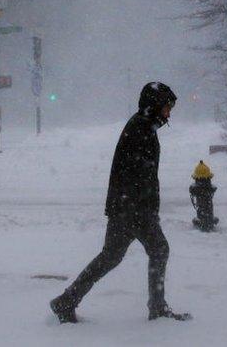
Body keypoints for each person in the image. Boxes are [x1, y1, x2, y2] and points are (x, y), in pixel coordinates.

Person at [50, 82, 191, 323]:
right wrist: (145, 209)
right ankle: (157, 309)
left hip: (125, 206)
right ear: (155, 106)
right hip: (133, 207)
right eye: (167, 107)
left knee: (111, 256)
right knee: (159, 249)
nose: (169, 113)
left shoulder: (142, 125)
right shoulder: (141, 129)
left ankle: (66, 301)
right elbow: (138, 175)